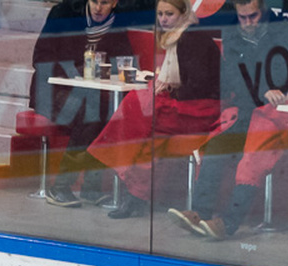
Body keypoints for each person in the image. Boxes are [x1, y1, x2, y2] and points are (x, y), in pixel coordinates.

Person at [168, 0, 288, 241]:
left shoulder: (287, 31)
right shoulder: (232, 33)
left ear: (264, 11)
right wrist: (262, 93)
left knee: (254, 153)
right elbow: (234, 79)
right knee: (218, 145)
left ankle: (228, 223)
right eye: (243, 18)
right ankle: (199, 212)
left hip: (286, 113)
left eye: (253, 16)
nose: (248, 23)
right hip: (251, 109)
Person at [88, 0, 222, 218]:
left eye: (169, 14)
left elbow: (201, 85)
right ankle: (135, 195)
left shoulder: (192, 37)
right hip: (186, 105)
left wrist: (172, 87)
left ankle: (131, 191)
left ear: (183, 14)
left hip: (200, 110)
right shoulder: (177, 36)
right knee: (142, 120)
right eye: (160, 14)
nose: (163, 19)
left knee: (137, 112)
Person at [29, 0, 135, 207]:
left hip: (91, 92)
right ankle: (60, 186)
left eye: (104, 3)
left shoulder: (117, 22)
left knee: (109, 112)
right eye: (94, 1)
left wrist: (102, 69)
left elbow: (127, 59)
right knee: (89, 111)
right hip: (51, 88)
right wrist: (76, 71)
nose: (98, 8)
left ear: (114, 3)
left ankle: (91, 188)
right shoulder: (63, 13)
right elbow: (40, 57)